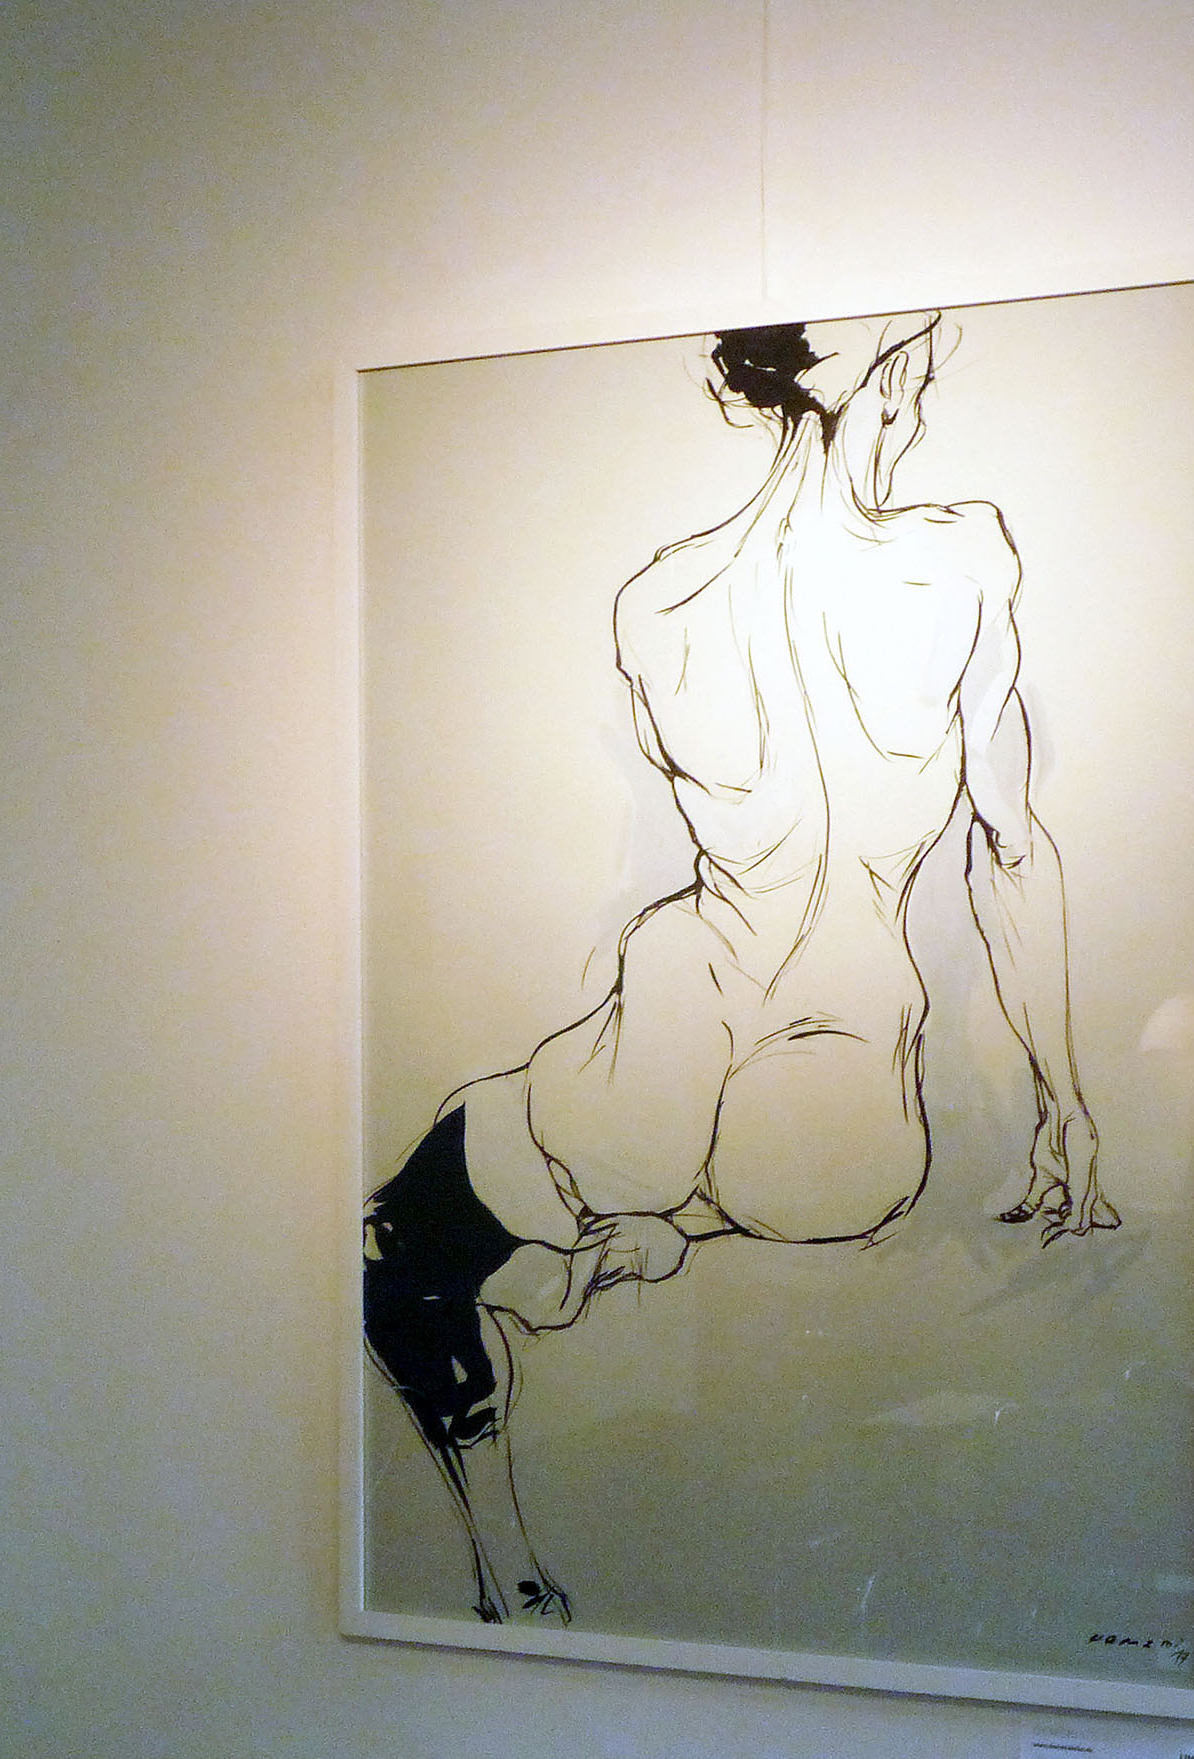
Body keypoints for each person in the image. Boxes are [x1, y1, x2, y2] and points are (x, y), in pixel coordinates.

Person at [364, 313, 1117, 1626]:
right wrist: (1064, 1100)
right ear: (898, 378)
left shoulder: (656, 600)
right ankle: (640, 1245)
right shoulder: (962, 559)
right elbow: (1009, 847)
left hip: (653, 1056)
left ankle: (514, 1526)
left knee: (400, 1249)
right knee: (676, 1205)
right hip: (834, 1117)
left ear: (748, 395)